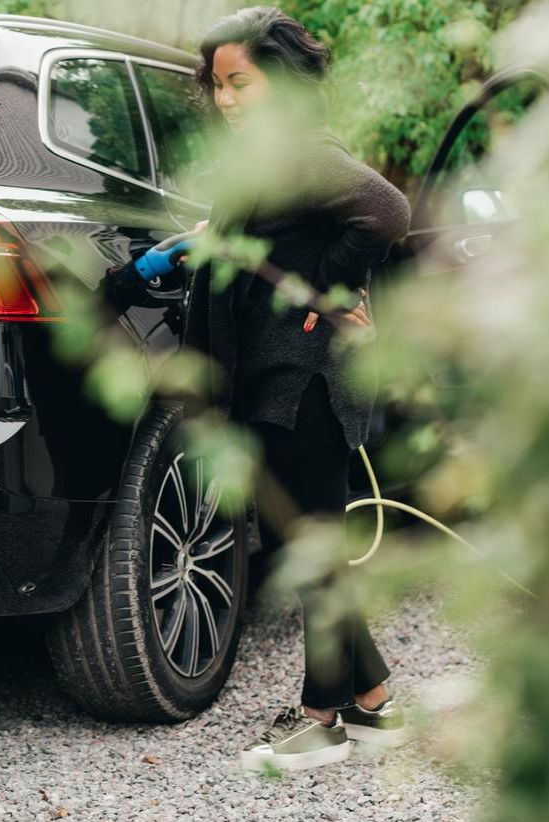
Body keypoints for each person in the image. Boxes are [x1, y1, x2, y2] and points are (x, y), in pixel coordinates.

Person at [184, 7, 412, 770]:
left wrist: (329, 287)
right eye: (216, 86)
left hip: (305, 382)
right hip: (276, 381)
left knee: (306, 549)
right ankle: (374, 702)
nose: (226, 100)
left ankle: (320, 719)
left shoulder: (305, 151)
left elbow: (386, 210)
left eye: (239, 82)